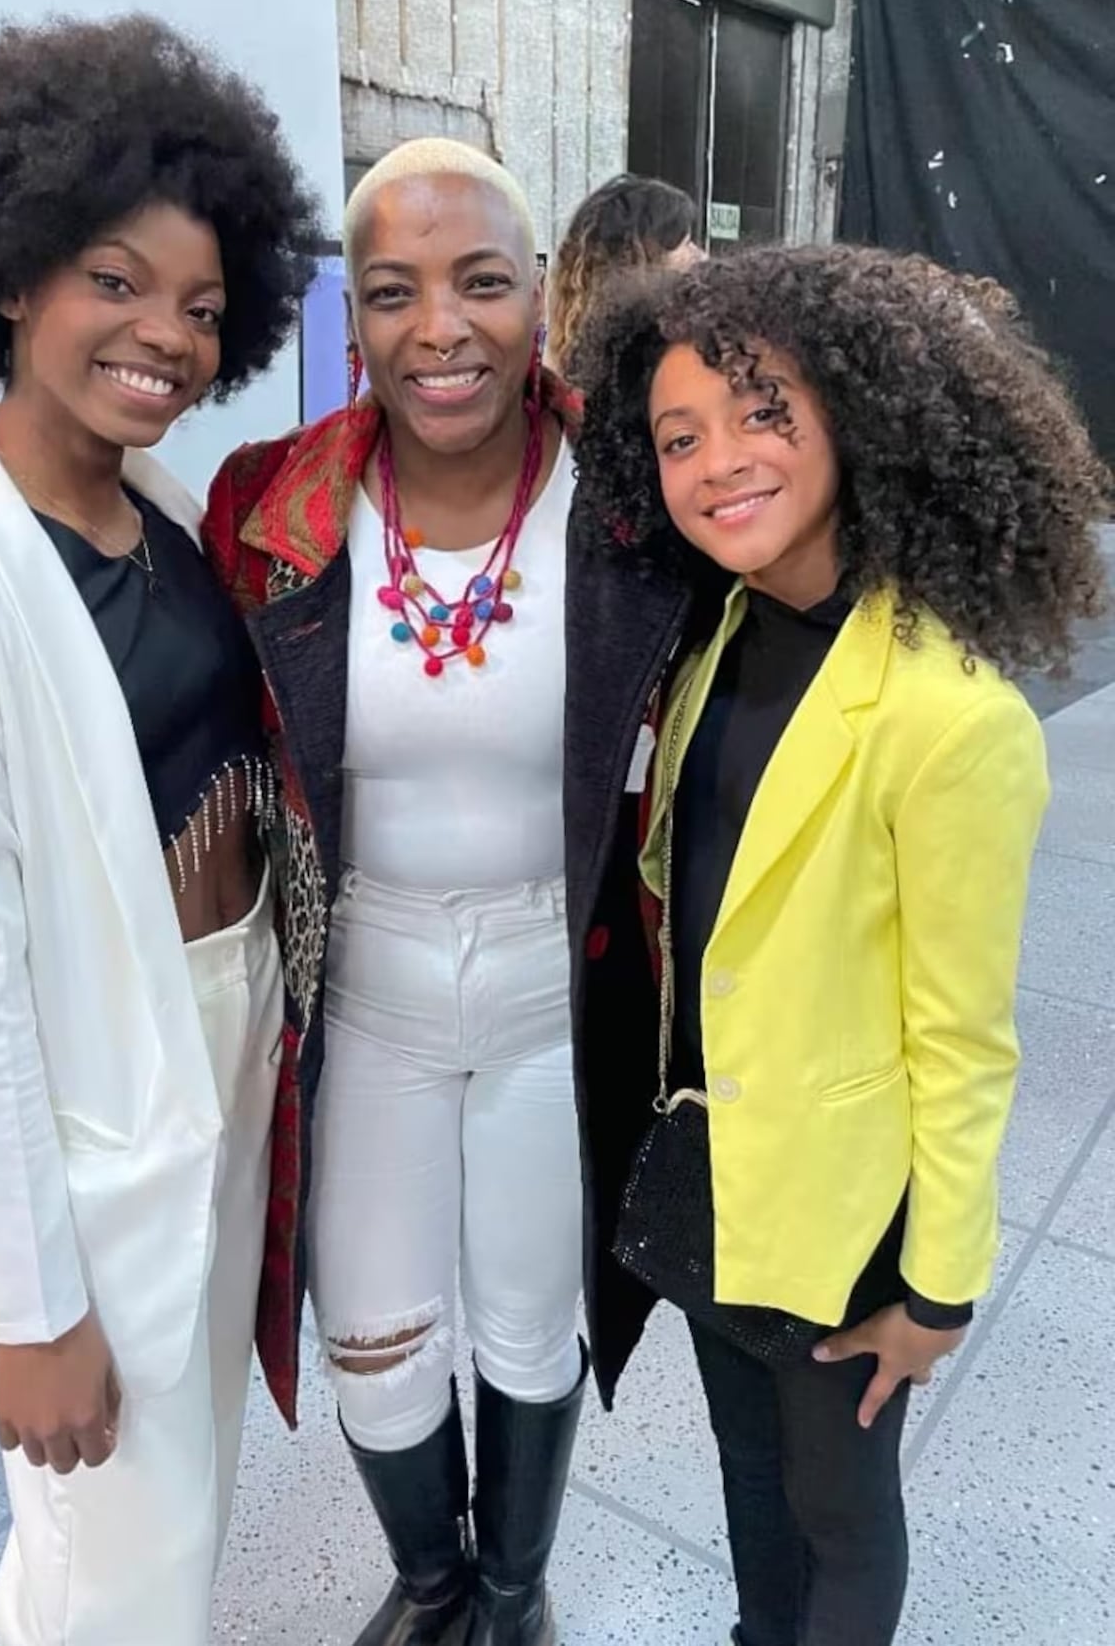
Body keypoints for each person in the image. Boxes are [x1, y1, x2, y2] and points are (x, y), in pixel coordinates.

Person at [0, 15, 321, 1646]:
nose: (164, 335)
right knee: (115, 1558)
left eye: (201, 306)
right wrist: (36, 1315)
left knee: (184, 1494)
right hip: (103, 1092)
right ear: (10, 274)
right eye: (116, 280)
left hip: (227, 1049)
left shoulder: (163, 511)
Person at [563, 245, 1110, 1646]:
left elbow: (965, 1037)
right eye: (678, 436)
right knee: (748, 1476)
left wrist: (939, 1286)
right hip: (718, 1172)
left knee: (839, 1513)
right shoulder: (716, 638)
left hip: (849, 1214)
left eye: (763, 412)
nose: (718, 461)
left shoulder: (949, 715)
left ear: (855, 416)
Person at [204, 138, 587, 1646]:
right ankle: (432, 1586)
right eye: (391, 291)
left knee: (531, 1320)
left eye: (480, 282)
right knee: (369, 1334)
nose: (440, 328)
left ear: (537, 292)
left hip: (559, 978)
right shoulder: (270, 506)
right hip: (364, 982)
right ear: (350, 313)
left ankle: (513, 1592)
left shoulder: (633, 498)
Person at [547, 172, 700, 382]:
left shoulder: (568, 371)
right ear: (645, 261)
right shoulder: (663, 367)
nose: (701, 255)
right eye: (687, 244)